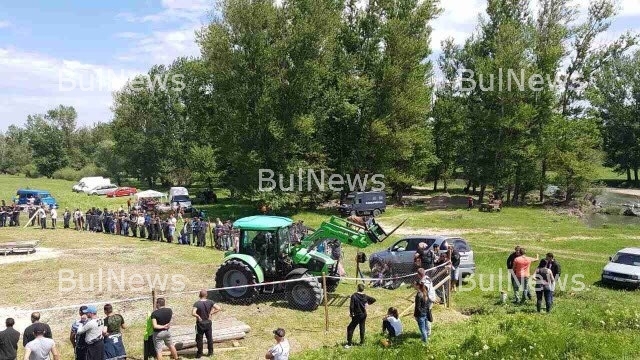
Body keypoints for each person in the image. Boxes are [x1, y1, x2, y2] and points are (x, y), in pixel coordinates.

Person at [192, 290, 221, 358]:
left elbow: (193, 313)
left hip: (200, 324)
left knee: (199, 339)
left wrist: (198, 316)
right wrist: (211, 313)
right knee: (209, 338)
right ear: (206, 295)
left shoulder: (197, 303)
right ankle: (210, 353)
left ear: (199, 295)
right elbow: (219, 308)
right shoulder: (210, 302)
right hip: (208, 323)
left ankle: (199, 354)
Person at [345, 284, 376, 349]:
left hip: (357, 315)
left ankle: (349, 344)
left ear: (357, 288)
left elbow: (351, 306)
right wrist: (367, 303)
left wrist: (351, 313)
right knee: (362, 327)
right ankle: (362, 342)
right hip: (364, 315)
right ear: (363, 289)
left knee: (350, 328)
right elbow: (373, 299)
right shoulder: (365, 296)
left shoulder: (354, 296)